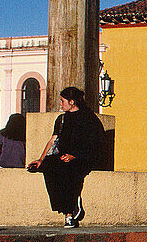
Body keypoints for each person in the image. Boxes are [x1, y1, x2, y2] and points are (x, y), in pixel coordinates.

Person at [27, 86, 104, 229]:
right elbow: (52, 140)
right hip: (64, 156)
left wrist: (75, 156)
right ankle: (68, 207)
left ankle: (69, 214)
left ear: (72, 102)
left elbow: (95, 142)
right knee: (49, 166)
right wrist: (41, 160)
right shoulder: (61, 119)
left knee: (68, 170)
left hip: (82, 157)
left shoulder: (88, 118)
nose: (60, 104)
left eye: (63, 101)